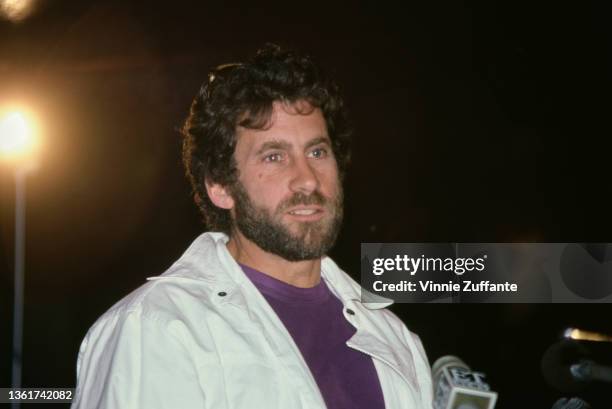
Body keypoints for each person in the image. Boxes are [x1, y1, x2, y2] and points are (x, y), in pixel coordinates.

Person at [71, 44, 433, 409]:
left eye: (317, 152)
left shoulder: (392, 337)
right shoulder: (158, 329)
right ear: (221, 186)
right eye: (274, 157)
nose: (307, 180)